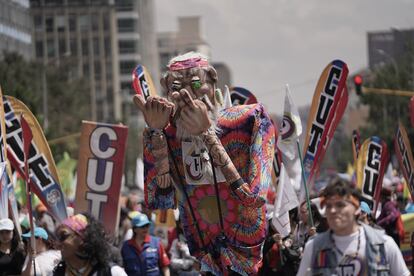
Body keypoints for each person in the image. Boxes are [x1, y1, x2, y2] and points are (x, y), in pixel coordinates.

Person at [134, 52, 275, 275]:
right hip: (204, 256)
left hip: (246, 253)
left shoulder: (250, 119)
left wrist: (208, 135)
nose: (186, 94)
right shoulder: (167, 134)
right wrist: (156, 134)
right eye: (176, 87)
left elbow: (254, 199)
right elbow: (160, 202)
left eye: (196, 83)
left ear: (212, 79)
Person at [297, 178, 410, 276]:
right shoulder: (314, 248)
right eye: (328, 205)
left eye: (340, 205)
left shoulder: (383, 244)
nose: (332, 210)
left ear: (357, 209)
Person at [53, 213, 127, 276]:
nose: (57, 243)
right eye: (57, 237)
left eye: (63, 236)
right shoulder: (57, 272)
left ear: (82, 238)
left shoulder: (111, 272)